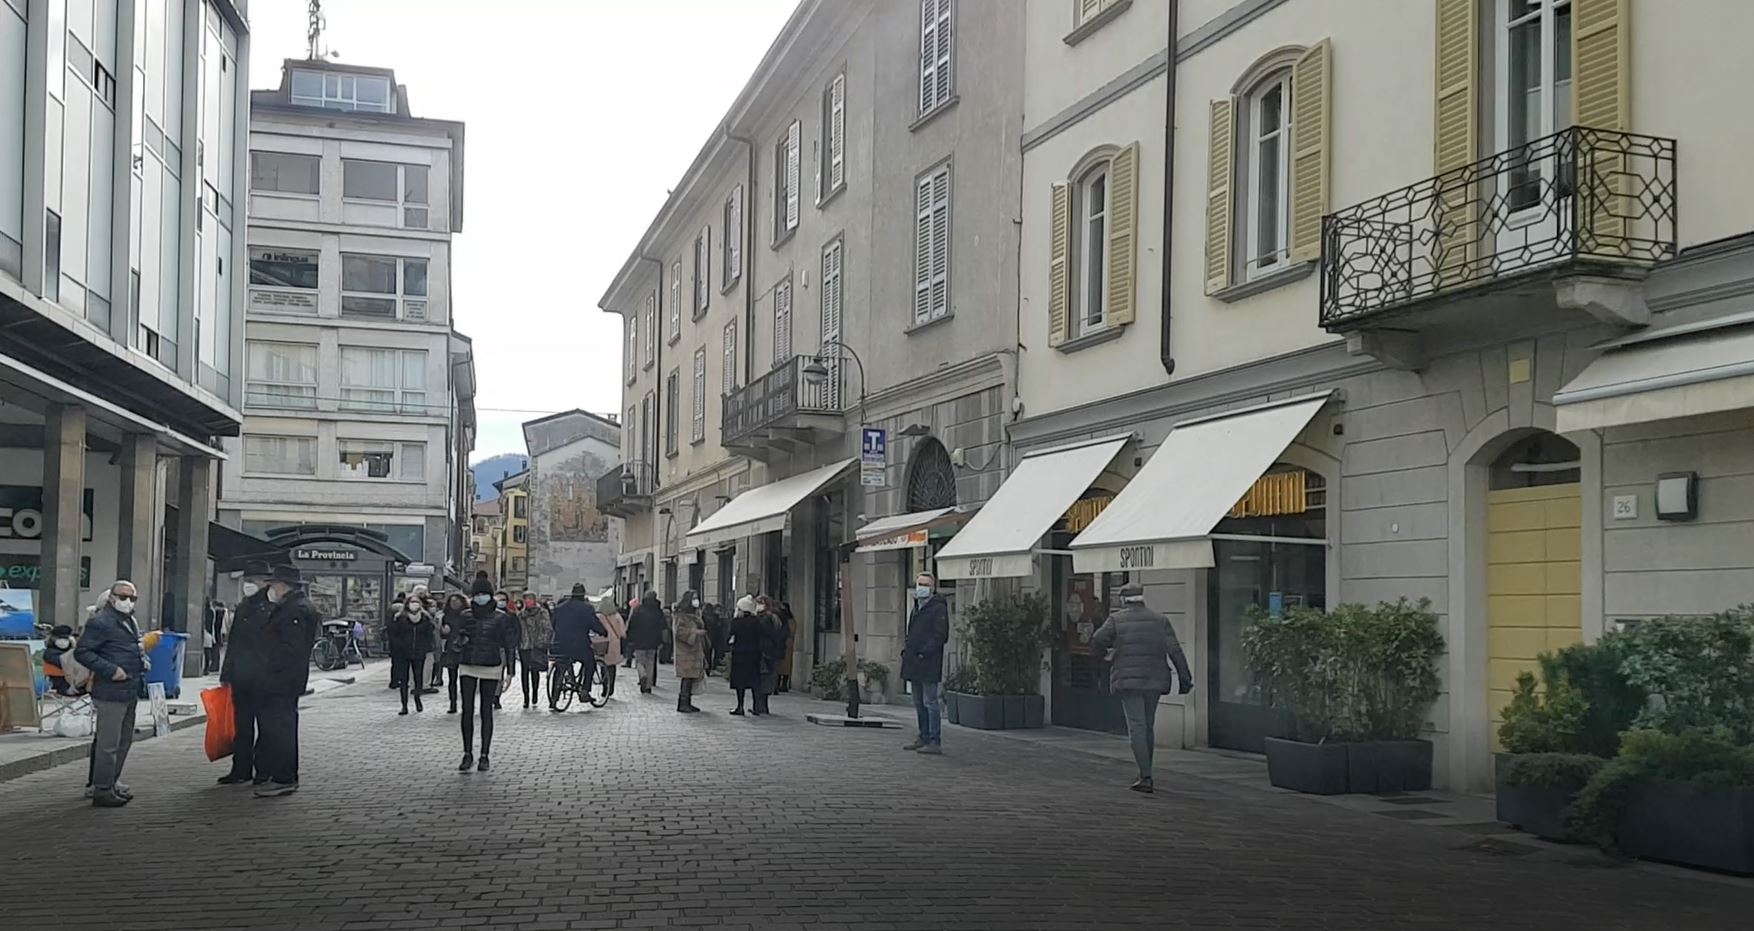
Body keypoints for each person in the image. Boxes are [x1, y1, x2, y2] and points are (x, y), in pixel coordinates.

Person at [1092, 582, 1194, 794]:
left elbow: (1098, 638)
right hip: (1155, 680)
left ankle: (1145, 776)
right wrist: (1185, 679)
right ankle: (1146, 771)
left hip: (1128, 681)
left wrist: (1106, 655)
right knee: (1148, 725)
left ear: (1123, 599)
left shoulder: (1116, 620)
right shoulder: (1160, 620)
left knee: (1137, 727)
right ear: (1141, 597)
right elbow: (1175, 651)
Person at [227, 564, 320, 797]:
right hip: (280, 680)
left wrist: (266, 665)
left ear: (281, 585)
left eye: (273, 584)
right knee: (277, 729)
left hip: (280, 681)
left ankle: (284, 777)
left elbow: (289, 649)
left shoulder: (293, 610)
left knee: (280, 730)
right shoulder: (293, 607)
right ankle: (280, 776)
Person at [75, 581, 147, 808]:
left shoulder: (130, 621)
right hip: (110, 691)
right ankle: (102, 789)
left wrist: (142, 661)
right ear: (111, 597)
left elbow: (133, 646)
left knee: (124, 740)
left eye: (132, 598)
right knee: (109, 743)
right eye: (123, 596)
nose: (127, 602)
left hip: (130, 688)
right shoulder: (100, 622)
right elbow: (82, 651)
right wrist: (110, 670)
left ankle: (112, 783)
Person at [455, 573, 518, 772]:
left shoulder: (501, 618)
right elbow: (456, 640)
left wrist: (510, 671)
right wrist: (459, 642)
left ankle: (484, 754)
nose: (480, 597)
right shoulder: (465, 616)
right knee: (466, 710)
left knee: (486, 711)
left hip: (491, 665)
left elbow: (509, 644)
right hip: (468, 665)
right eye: (477, 594)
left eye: (484, 594)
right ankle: (467, 753)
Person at [218, 562, 273, 787]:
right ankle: (240, 768)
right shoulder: (244, 606)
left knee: (265, 725)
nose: (248, 585)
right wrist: (227, 672)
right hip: (241, 674)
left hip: (262, 675)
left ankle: (263, 769)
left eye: (253, 580)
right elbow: (234, 642)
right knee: (242, 725)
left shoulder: (272, 607)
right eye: (246, 580)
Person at [901, 573, 950, 756]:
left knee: (930, 701)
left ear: (933, 587)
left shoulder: (938, 608)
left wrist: (924, 652)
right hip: (914, 661)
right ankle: (923, 736)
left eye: (926, 584)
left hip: (928, 661)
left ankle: (935, 740)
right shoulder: (916, 606)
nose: (922, 587)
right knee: (918, 702)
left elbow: (940, 635)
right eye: (920, 583)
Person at [548, 584, 605, 710]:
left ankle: (553, 698)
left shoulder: (560, 608)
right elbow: (594, 623)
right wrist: (603, 631)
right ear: (583, 595)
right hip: (580, 646)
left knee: (560, 667)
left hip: (560, 645)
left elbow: (553, 624)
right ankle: (585, 691)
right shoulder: (587, 608)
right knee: (590, 663)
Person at [387, 594, 434, 715]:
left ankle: (417, 698)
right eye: (412, 602)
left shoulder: (425, 618)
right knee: (404, 680)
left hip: (419, 652)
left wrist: (427, 647)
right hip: (403, 653)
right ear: (407, 604)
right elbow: (394, 634)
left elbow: (429, 635)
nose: (414, 604)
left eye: (416, 602)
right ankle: (404, 705)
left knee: (418, 677)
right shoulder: (400, 618)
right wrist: (398, 647)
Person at [727, 595, 765, 716]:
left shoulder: (737, 622)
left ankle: (740, 706)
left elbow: (730, 636)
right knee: (754, 681)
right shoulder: (757, 622)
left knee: (740, 682)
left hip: (740, 654)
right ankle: (756, 706)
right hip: (754, 654)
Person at [670, 590, 707, 713]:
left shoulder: (695, 614)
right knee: (686, 677)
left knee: (691, 677)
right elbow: (679, 633)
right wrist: (695, 633)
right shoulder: (681, 615)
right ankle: (683, 703)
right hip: (685, 651)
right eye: (694, 598)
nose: (696, 600)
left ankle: (688, 702)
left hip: (695, 650)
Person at [515, 592, 553, 709]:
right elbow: (518, 630)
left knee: (535, 670)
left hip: (537, 646)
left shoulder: (542, 613)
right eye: (526, 599)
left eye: (530, 599)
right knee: (525, 671)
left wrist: (542, 642)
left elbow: (548, 629)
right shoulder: (521, 615)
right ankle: (526, 697)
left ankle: (535, 693)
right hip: (525, 646)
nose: (528, 602)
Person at [625, 592, 666, 694]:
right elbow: (663, 626)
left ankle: (642, 675)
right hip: (653, 641)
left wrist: (630, 638)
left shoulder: (638, 610)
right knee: (650, 662)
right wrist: (661, 641)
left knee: (639, 661)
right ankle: (648, 686)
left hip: (639, 640)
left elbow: (632, 625)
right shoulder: (658, 611)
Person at [439, 592, 468, 713]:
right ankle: (453, 703)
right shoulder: (446, 615)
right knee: (452, 678)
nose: (455, 604)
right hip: (451, 647)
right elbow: (442, 634)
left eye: (457, 601)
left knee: (465, 678)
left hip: (465, 647)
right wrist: (443, 631)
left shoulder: (467, 615)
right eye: (452, 601)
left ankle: (466, 702)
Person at [595, 596, 627, 698]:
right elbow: (622, 633)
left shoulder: (599, 617)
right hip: (615, 643)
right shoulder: (617, 617)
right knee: (612, 666)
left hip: (602, 642)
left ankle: (605, 688)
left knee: (602, 665)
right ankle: (611, 687)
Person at [775, 601, 797, 693]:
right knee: (783, 666)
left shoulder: (787, 621)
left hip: (786, 644)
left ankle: (782, 684)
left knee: (783, 666)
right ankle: (781, 684)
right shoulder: (788, 620)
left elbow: (791, 632)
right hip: (785, 644)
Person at [701, 603, 725, 676]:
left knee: (707, 653)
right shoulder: (715, 616)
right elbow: (719, 626)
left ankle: (707, 669)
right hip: (715, 636)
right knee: (715, 653)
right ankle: (713, 668)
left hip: (707, 636)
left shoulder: (703, 616)